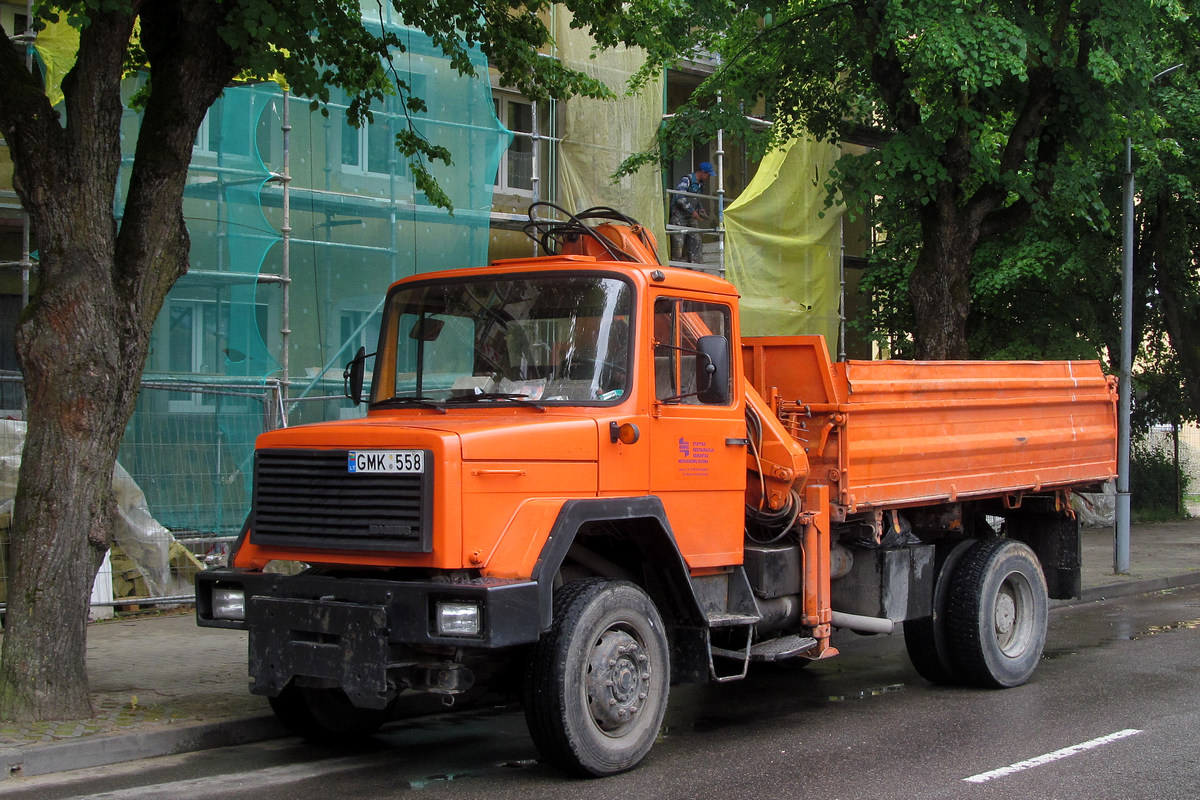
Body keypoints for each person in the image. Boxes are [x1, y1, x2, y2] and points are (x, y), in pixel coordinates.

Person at [670, 161, 712, 263]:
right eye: (708, 174)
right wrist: (692, 210)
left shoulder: (700, 184)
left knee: (696, 239)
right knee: (678, 242)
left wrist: (700, 208)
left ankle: (696, 266)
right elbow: (680, 198)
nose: (709, 177)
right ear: (703, 172)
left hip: (690, 216)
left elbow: (697, 198)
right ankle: (677, 266)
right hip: (679, 215)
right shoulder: (686, 180)